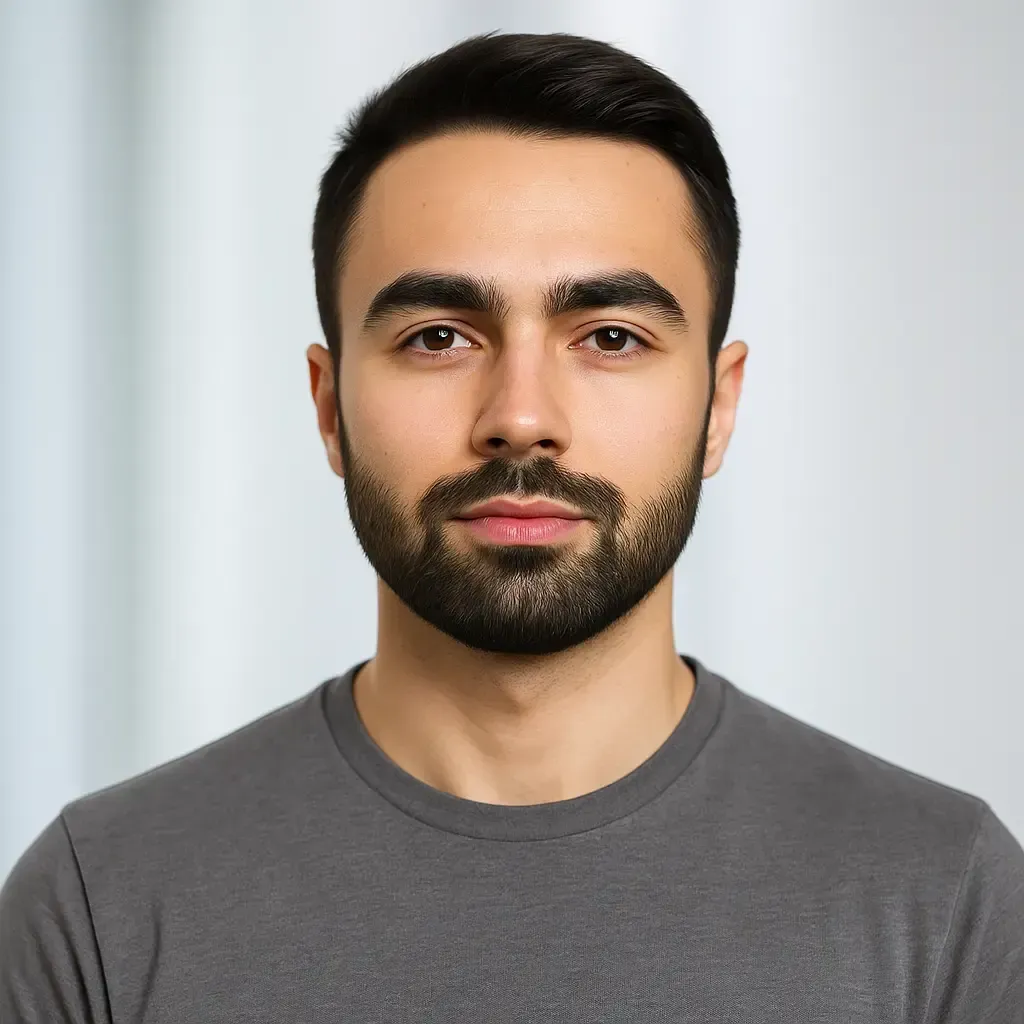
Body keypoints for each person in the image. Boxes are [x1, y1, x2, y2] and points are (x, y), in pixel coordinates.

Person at [2, 30, 1022, 1022]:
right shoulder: (100, 906)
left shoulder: (947, 903)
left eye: (610, 336)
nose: (521, 417)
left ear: (718, 405)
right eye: (438, 336)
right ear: (328, 407)